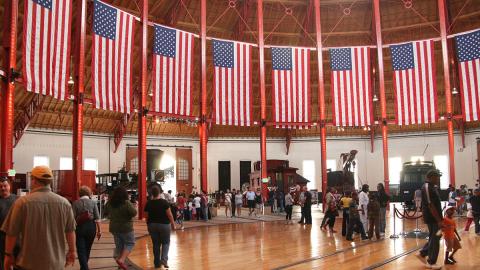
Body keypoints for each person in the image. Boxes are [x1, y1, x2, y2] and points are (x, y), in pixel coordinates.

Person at [1, 166, 76, 270]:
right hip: (56, 264)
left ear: (34, 180)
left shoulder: (21, 203)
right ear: (50, 182)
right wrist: (72, 251)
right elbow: (70, 231)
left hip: (28, 264)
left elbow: (11, 233)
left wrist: (8, 255)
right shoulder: (65, 203)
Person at [105, 186, 137, 270]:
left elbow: (106, 213)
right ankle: (122, 260)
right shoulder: (126, 203)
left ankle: (120, 264)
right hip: (126, 228)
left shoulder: (109, 203)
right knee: (130, 243)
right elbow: (134, 213)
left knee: (119, 246)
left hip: (114, 228)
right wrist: (135, 206)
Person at [144, 185, 176, 269]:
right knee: (166, 242)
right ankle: (164, 259)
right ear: (159, 192)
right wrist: (173, 224)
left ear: (152, 193)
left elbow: (146, 216)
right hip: (164, 225)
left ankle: (157, 263)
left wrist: (148, 225)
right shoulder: (164, 202)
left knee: (156, 244)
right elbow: (169, 215)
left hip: (152, 225)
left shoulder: (148, 203)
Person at [418, 170, 443, 269]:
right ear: (430, 177)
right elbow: (430, 205)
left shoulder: (433, 187)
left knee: (435, 236)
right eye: (437, 177)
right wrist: (439, 220)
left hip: (435, 217)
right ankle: (431, 262)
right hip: (432, 218)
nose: (438, 179)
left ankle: (424, 252)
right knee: (435, 238)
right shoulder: (427, 187)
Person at [72, 186, 102, 270]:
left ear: (80, 193)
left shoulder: (75, 203)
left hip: (80, 228)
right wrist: (99, 231)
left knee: (81, 250)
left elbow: (72, 219)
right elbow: (97, 218)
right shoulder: (93, 203)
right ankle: (84, 267)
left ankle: (84, 268)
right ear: (89, 193)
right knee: (87, 249)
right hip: (91, 227)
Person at [0, 177, 17, 270]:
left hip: (16, 237)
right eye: (1, 186)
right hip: (2, 237)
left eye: (5, 186)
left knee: (17, 261)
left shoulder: (18, 200)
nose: (3, 188)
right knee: (3, 262)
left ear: (9, 186)